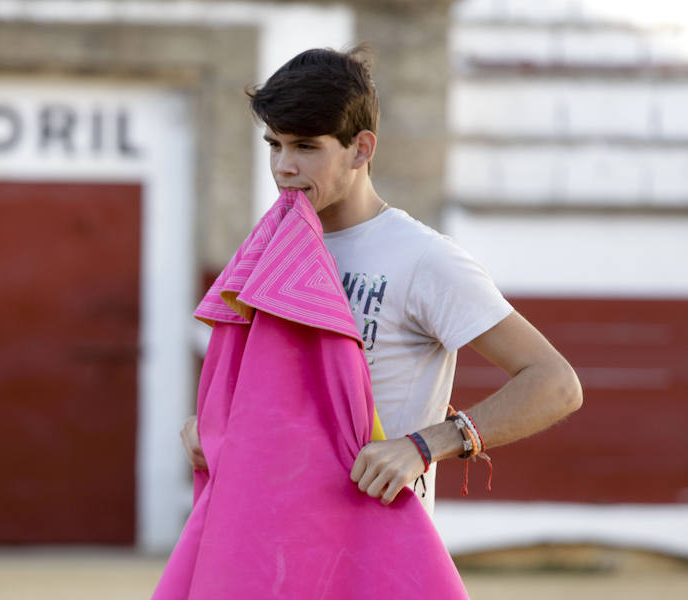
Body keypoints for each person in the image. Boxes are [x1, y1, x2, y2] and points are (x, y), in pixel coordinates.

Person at [181, 45, 582, 515]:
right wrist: (204, 427)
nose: (283, 166)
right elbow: (260, 389)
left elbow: (555, 383)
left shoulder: (424, 257)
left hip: (378, 541)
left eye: (306, 146)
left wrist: (425, 445)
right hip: (276, 532)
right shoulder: (269, 249)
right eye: (275, 144)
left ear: (361, 149)